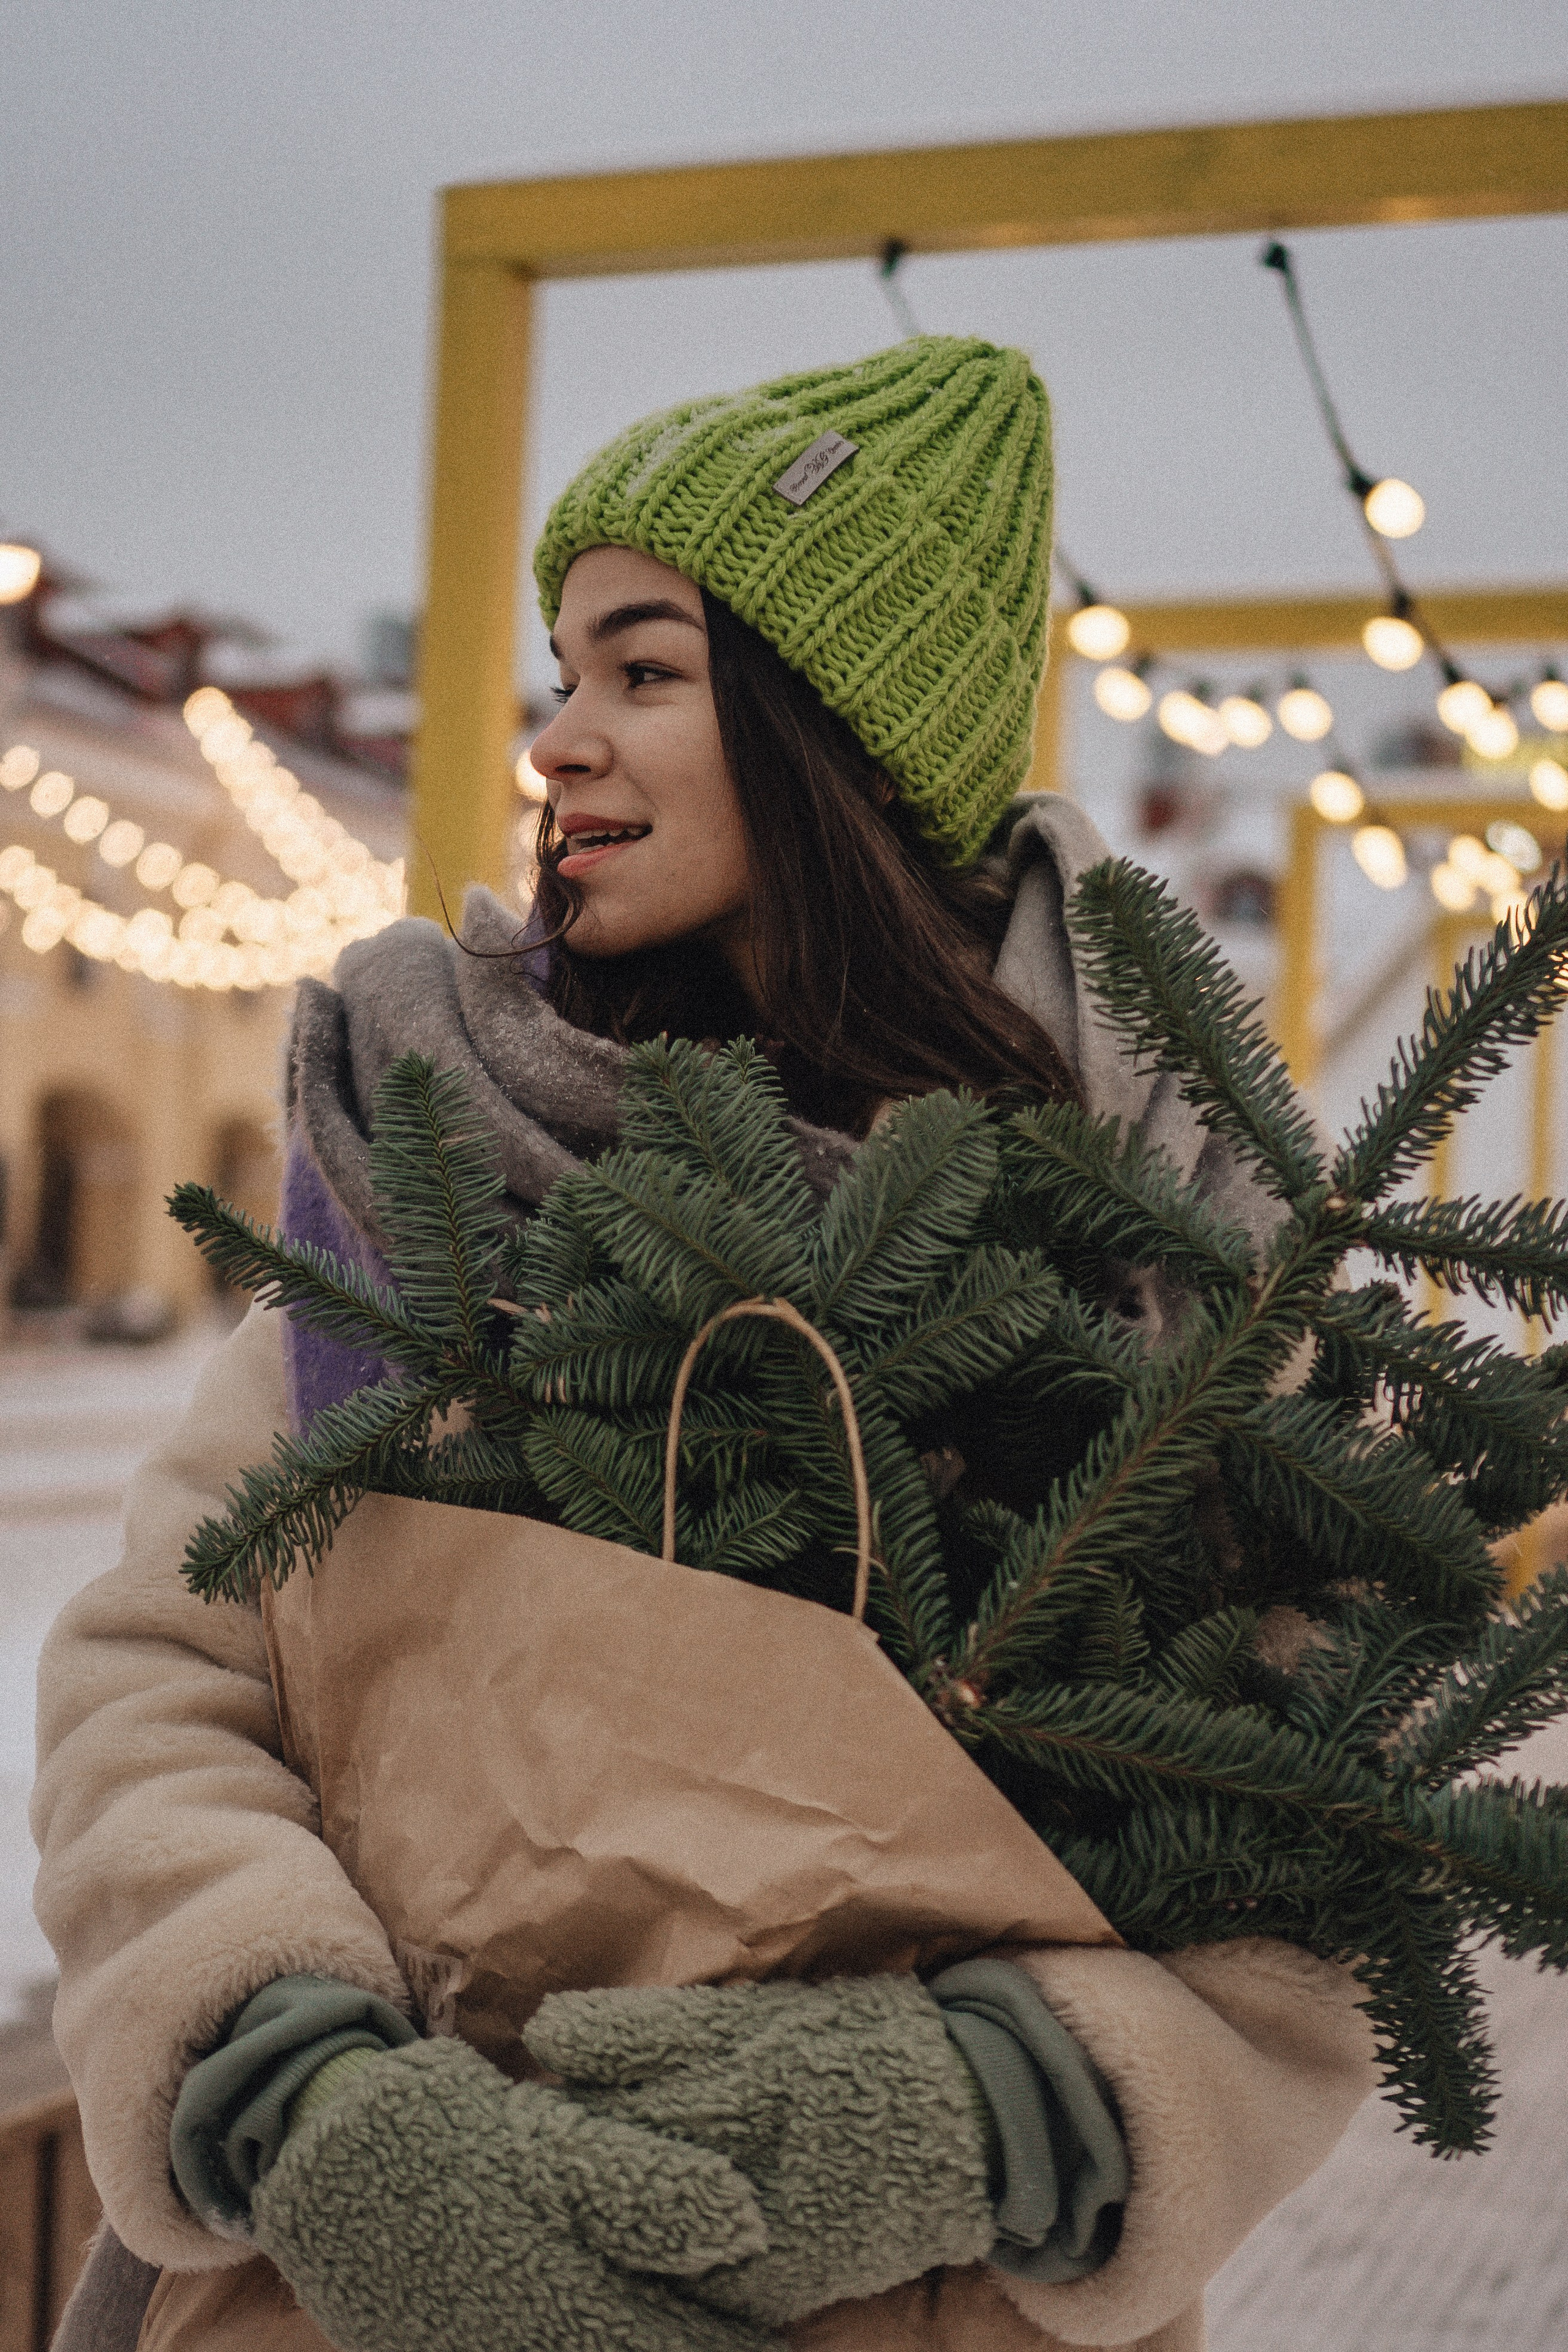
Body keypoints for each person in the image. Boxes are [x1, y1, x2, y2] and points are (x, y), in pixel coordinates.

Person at [34, 336, 1376, 2352]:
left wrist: (984, 2105)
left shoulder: (1163, 1238)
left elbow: (1319, 1830)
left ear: (835, 734)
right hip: (356, 2291)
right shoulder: (429, 1141)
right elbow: (166, 1668)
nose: (559, 741)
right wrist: (287, 2081)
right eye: (563, 674)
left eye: (644, 674)